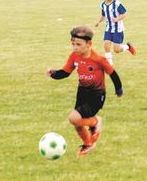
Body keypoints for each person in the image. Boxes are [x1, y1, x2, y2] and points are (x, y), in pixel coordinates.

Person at [46, 25, 123, 156]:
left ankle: (95, 122)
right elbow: (65, 72)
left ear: (89, 44)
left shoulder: (99, 59)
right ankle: (88, 144)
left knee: (73, 118)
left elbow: (113, 73)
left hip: (96, 95)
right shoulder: (74, 56)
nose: (75, 47)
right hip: (82, 93)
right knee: (78, 124)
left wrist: (118, 88)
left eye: (78, 44)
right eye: (73, 44)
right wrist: (53, 73)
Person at [94, 0, 136, 64]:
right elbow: (103, 15)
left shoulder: (117, 3)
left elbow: (124, 13)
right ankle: (109, 65)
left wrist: (117, 19)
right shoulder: (102, 5)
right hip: (108, 29)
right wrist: (98, 22)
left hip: (118, 30)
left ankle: (128, 46)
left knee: (116, 50)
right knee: (106, 45)